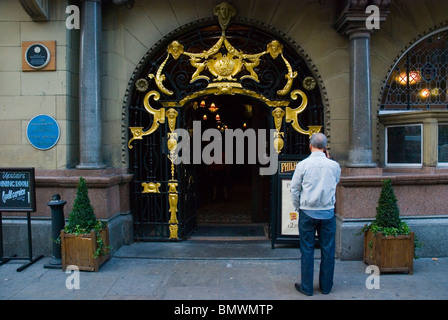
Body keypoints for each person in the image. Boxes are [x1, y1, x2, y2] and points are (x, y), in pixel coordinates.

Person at [290, 133, 341, 296]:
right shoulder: (334, 166)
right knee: (328, 250)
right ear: (325, 148)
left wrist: (299, 207)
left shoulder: (303, 165)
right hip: (327, 213)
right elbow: (336, 182)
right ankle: (326, 287)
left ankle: (307, 287)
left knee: (307, 250)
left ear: (310, 146)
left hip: (308, 212)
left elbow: (295, 189)